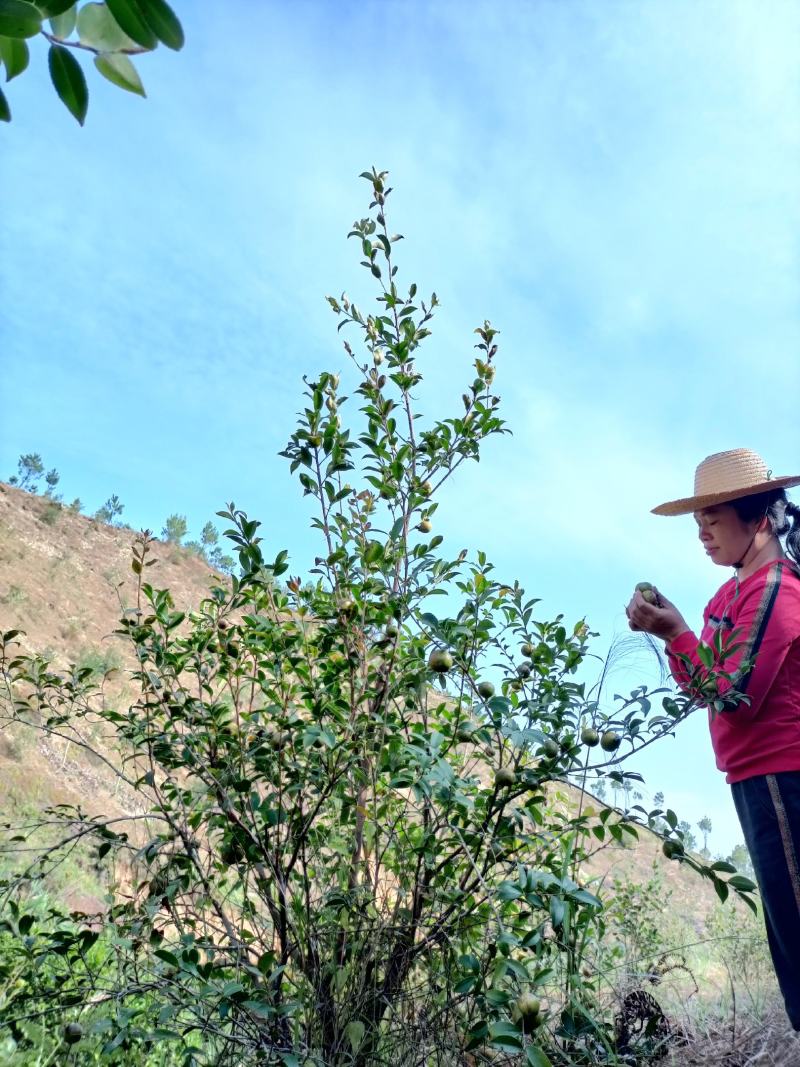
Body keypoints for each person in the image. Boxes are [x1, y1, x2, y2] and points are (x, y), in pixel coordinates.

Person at [625, 447, 800, 1030]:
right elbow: (707, 689)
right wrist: (676, 633)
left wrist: (674, 633)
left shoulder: (777, 592)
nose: (702, 534)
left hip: (783, 775)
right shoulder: (729, 597)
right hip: (752, 777)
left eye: (714, 519)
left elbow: (734, 699)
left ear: (759, 519)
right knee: (786, 929)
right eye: (698, 523)